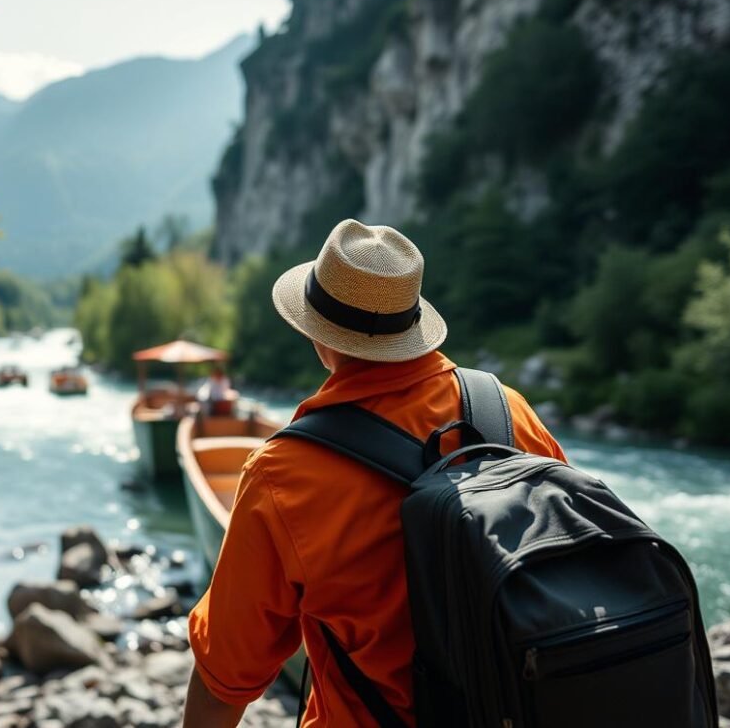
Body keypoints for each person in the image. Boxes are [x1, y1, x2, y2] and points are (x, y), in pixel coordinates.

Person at [182, 219, 566, 727]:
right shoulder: (506, 409)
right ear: (411, 326)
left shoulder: (285, 474)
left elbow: (227, 671)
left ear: (318, 336)